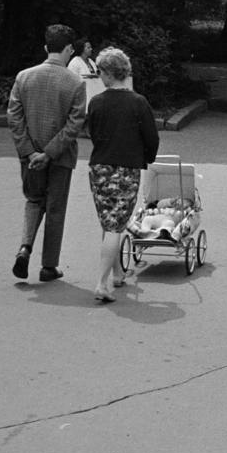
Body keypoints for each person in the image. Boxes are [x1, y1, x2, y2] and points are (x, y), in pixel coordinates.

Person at [7, 24, 88, 282]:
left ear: (46, 47)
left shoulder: (23, 77)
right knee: (55, 208)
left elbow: (14, 118)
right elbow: (74, 124)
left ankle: (25, 247)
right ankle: (48, 266)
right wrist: (50, 153)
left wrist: (30, 152)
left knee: (33, 200)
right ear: (69, 49)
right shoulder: (76, 82)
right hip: (61, 157)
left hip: (30, 157)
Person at [84, 46, 160, 302]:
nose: (99, 76)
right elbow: (151, 137)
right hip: (126, 168)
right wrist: (147, 157)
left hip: (100, 167)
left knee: (109, 223)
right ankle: (101, 283)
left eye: (100, 72)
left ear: (108, 73)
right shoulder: (138, 103)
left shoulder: (96, 102)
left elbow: (93, 133)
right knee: (115, 225)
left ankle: (117, 273)